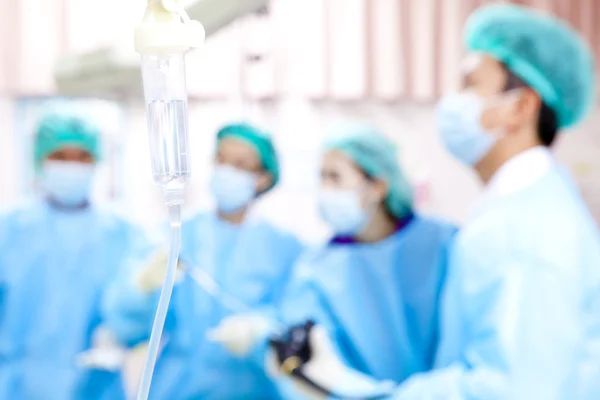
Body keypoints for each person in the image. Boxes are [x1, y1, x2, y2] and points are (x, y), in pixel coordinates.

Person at [258, 4, 600, 399]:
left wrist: (355, 391)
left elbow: (513, 390)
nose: (452, 100)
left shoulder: (523, 231)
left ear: (521, 107)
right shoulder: (526, 210)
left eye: (469, 84)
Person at [209, 125, 457, 398]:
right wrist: (262, 334)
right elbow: (299, 337)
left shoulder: (444, 245)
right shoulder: (318, 267)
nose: (325, 190)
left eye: (335, 177)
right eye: (322, 178)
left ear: (377, 186)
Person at [102, 122, 304, 399]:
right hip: (178, 388)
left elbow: (299, 321)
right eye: (221, 160)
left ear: (263, 178)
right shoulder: (176, 235)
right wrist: (143, 287)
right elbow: (127, 329)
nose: (226, 171)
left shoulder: (286, 249)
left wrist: (260, 332)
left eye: (240, 164)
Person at [0, 113, 149, 400]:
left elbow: (145, 314)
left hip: (96, 388)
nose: (72, 166)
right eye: (61, 156)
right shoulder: (9, 230)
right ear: (40, 160)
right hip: (16, 387)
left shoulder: (124, 234)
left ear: (95, 162)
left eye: (82, 156)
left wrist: (119, 333)